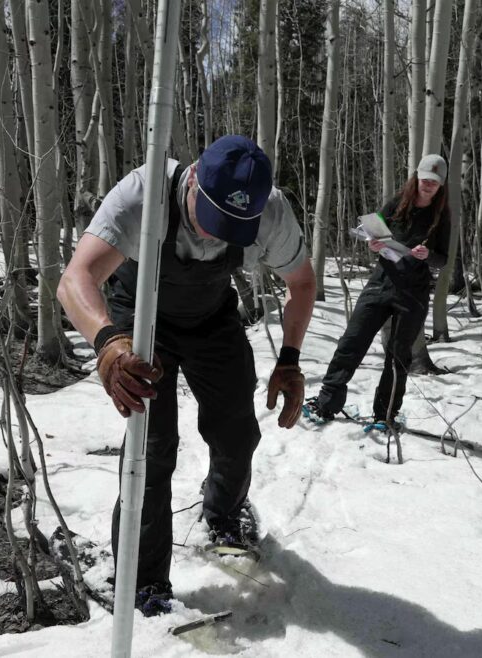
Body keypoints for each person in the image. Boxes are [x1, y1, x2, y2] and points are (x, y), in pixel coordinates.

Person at [57, 135, 316, 616]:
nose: (216, 236)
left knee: (238, 430)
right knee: (152, 449)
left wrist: (290, 359)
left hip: (211, 317)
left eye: (233, 228)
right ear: (193, 178)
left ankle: (225, 512)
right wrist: (107, 342)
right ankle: (142, 582)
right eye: (212, 217)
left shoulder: (272, 213)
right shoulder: (144, 193)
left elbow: (301, 282)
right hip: (141, 318)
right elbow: (76, 278)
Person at [303, 154, 451, 429]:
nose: (429, 185)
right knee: (351, 342)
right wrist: (373, 244)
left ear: (441, 185)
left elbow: (443, 259)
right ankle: (326, 404)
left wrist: (428, 255)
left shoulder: (441, 216)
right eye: (425, 179)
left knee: (398, 356)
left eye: (435, 182)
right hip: (381, 283)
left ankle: (385, 415)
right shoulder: (398, 203)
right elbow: (375, 231)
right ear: (417, 177)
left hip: (413, 294)